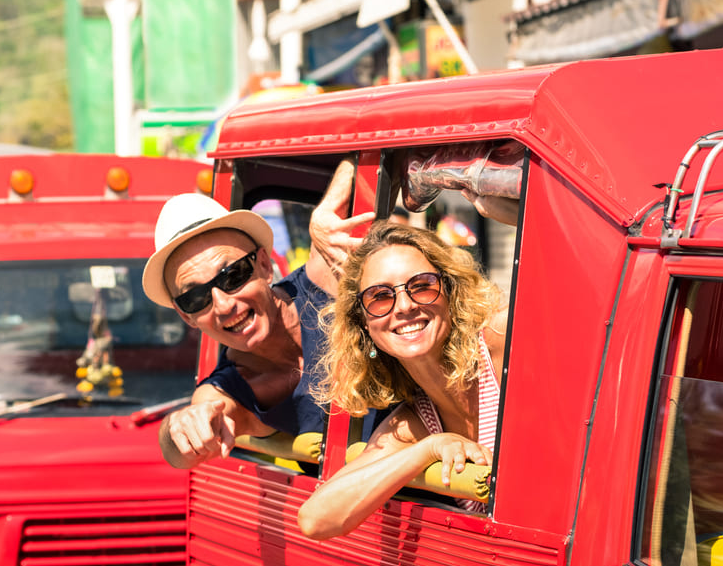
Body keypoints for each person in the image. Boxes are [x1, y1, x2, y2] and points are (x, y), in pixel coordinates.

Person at [143, 158, 374, 469]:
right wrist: (176, 426)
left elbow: (364, 159)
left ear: (265, 266)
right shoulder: (235, 389)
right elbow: (181, 446)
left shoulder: (323, 280)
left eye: (232, 275)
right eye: (196, 298)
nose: (224, 305)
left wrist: (322, 215)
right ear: (186, 317)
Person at [298, 221, 508, 540]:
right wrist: (428, 449)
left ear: (450, 291)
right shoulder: (416, 424)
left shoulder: (502, 341)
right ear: (363, 323)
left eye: (422, 285)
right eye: (380, 297)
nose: (406, 306)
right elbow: (316, 520)